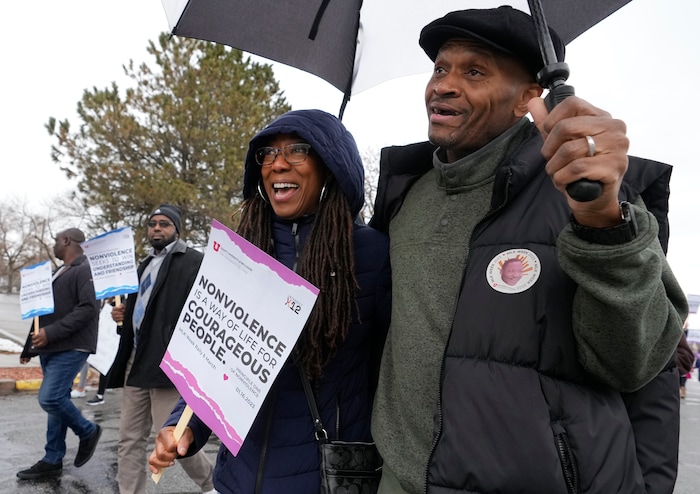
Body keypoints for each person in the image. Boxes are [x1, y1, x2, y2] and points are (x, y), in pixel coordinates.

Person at [369, 7, 688, 493]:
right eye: (440, 68)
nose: (444, 85)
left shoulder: (587, 191)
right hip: (397, 478)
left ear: (529, 98)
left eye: (474, 71)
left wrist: (602, 221)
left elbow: (634, 363)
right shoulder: (404, 194)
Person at [148, 109, 391, 493]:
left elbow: (392, 373)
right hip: (237, 476)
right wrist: (183, 426)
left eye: (297, 150)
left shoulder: (372, 255)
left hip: (323, 477)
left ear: (330, 164)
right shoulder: (238, 254)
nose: (277, 163)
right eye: (267, 153)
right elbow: (212, 361)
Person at [107, 204, 216, 494]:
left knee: (174, 439)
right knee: (128, 439)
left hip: (167, 365)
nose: (157, 227)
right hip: (135, 362)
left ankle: (211, 484)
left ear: (177, 229)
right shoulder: (141, 266)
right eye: (152, 223)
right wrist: (124, 316)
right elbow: (143, 311)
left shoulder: (193, 261)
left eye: (164, 223)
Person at [17, 228, 102, 480]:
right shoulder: (59, 272)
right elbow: (41, 313)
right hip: (51, 347)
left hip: (72, 345)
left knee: (50, 398)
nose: (54, 245)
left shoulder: (85, 269)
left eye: (56, 240)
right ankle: (52, 458)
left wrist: (50, 334)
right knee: (57, 403)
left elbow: (88, 309)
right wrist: (29, 348)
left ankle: (87, 431)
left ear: (67, 241)